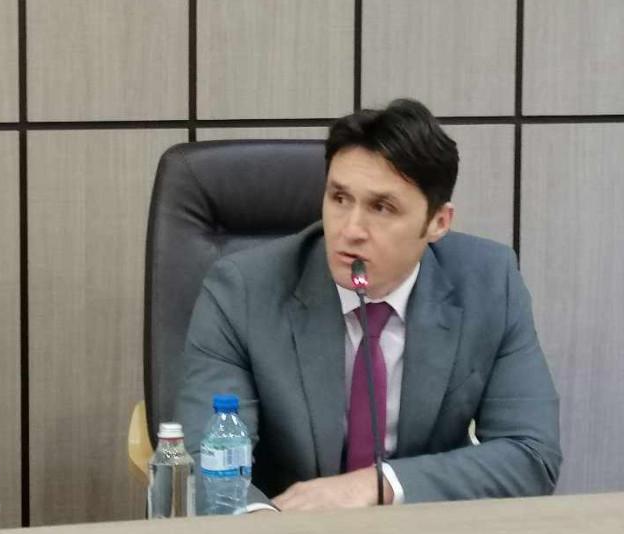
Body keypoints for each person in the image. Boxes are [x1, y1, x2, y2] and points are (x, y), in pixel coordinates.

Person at [177, 98, 560, 512]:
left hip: (424, 531)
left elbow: (531, 453)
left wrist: (380, 485)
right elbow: (205, 457)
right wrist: (264, 526)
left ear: (438, 222)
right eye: (339, 198)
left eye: (382, 207)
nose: (351, 229)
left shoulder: (488, 284)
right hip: (281, 526)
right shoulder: (243, 290)